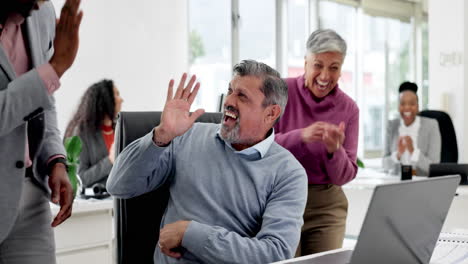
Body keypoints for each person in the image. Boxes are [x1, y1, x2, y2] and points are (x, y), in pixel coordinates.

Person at [107, 60, 308, 263]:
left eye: (242, 96)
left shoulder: (288, 173)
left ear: (271, 113)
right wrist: (161, 135)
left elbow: (274, 254)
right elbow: (118, 186)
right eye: (230, 90)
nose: (228, 100)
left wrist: (190, 233)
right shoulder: (187, 135)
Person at [0, 0, 82, 263]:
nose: (41, 5)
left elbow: (43, 97)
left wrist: (55, 159)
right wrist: (55, 67)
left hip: (31, 198)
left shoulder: (41, 14)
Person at [274, 29, 359, 255]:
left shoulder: (349, 108)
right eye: (318, 65)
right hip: (281, 198)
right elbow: (257, 146)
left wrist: (334, 152)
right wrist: (300, 137)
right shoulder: (281, 91)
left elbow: (346, 175)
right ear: (305, 63)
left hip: (326, 205)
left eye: (334, 68)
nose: (324, 76)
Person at [64, 79, 123, 190]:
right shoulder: (79, 134)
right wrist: (110, 161)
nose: (121, 100)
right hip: (97, 204)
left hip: (122, 196)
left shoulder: (120, 129)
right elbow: (79, 179)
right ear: (106, 100)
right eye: (117, 94)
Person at [383, 81, 441, 176]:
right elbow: (384, 164)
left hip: (422, 183)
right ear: (398, 106)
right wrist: (398, 154)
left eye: (412, 104)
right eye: (402, 103)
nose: (407, 107)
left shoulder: (431, 125)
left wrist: (413, 151)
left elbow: (434, 167)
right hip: (396, 182)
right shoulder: (392, 125)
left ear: (418, 106)